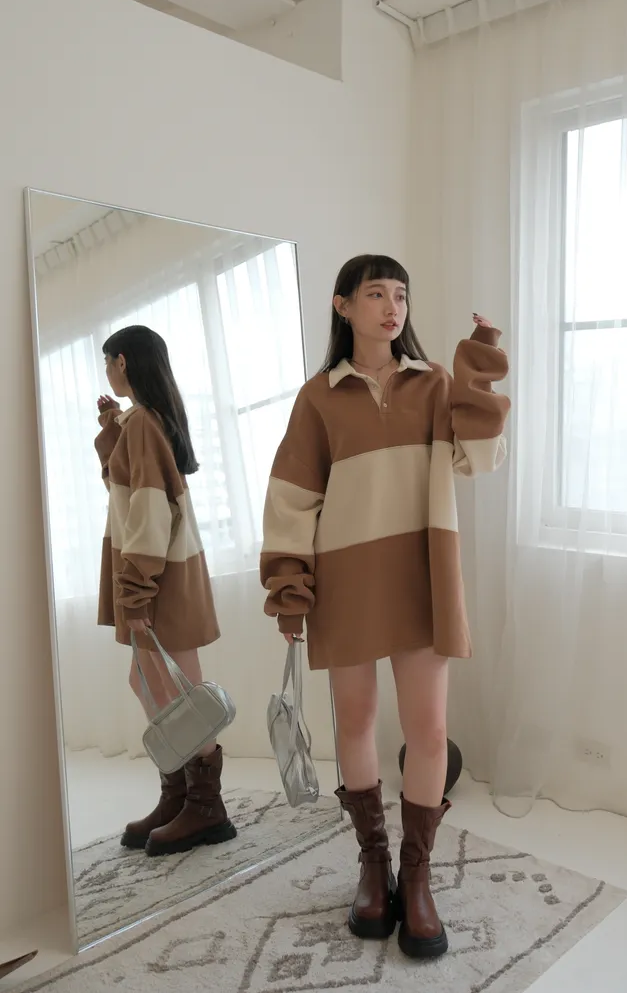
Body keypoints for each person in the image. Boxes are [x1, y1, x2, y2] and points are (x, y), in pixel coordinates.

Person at [261, 255, 510, 959]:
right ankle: (374, 865)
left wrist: (478, 369)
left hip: (422, 573)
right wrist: (289, 586)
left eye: (400, 294)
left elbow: (481, 459)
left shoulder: (433, 384)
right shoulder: (318, 398)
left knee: (429, 729)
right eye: (376, 293)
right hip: (344, 579)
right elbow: (291, 498)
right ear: (343, 305)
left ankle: (417, 875)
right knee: (356, 719)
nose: (392, 307)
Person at [94, 325, 236, 856]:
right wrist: (111, 430)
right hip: (162, 569)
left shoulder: (143, 424)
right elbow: (128, 492)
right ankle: (180, 797)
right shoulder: (144, 421)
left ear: (122, 362)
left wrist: (136, 591)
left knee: (180, 693)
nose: (107, 372)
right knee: (150, 681)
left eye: (108, 362)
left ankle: (206, 807)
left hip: (159, 575)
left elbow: (150, 510)